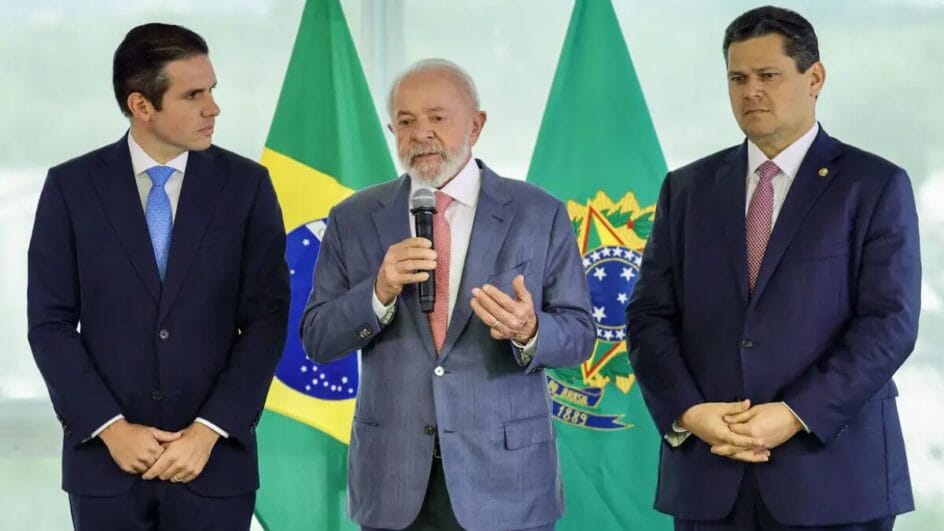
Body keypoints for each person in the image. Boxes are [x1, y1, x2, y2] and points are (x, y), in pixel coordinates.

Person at [626, 6, 919, 531]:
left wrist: (794, 414)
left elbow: (889, 324)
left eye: (768, 75)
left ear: (815, 78)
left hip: (835, 480)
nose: (751, 92)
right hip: (710, 477)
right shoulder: (686, 190)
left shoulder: (874, 185)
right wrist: (690, 413)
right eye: (738, 78)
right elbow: (649, 318)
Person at [301, 59, 595, 531]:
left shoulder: (538, 213)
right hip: (392, 483)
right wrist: (378, 291)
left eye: (437, 117)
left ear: (476, 125)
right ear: (392, 130)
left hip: (507, 484)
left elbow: (579, 335)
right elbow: (318, 338)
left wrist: (530, 330)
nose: (421, 134)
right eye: (405, 122)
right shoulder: (353, 218)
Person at [27, 23, 289, 530]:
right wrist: (110, 428)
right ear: (141, 105)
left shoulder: (247, 186)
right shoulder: (71, 187)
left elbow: (267, 319)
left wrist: (209, 430)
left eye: (212, 90)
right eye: (194, 95)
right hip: (106, 469)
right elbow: (50, 324)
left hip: (214, 467)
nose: (213, 108)